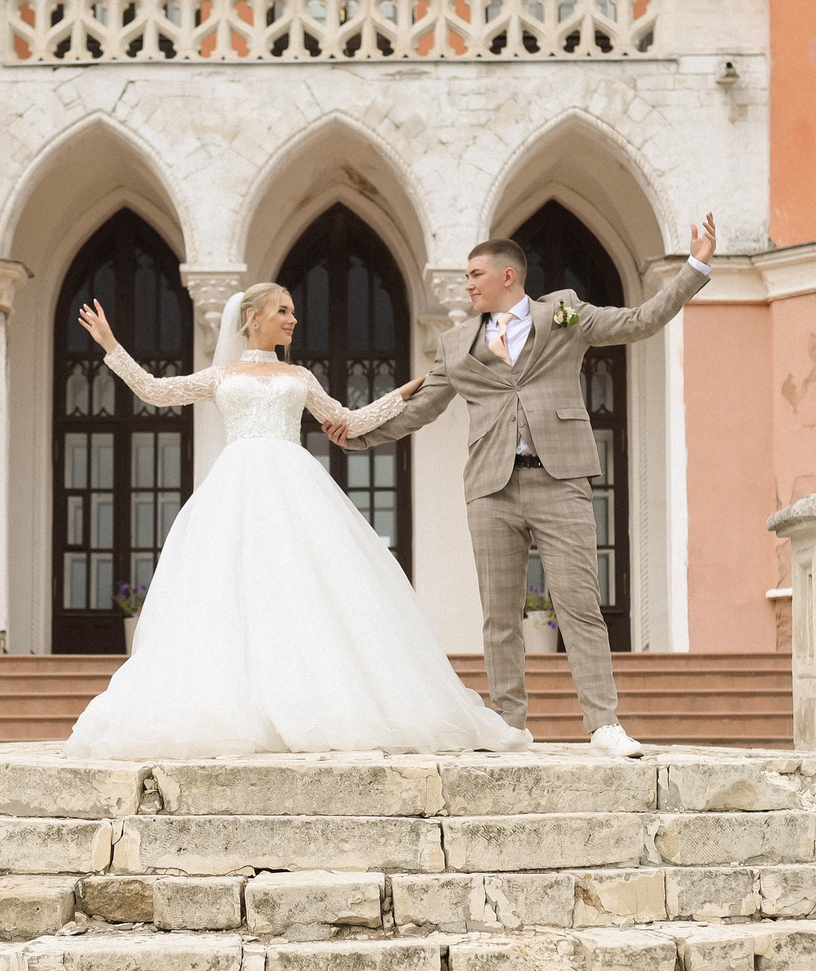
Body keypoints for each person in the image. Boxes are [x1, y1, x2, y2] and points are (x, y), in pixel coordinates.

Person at [62, 283, 527, 759]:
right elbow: (156, 392)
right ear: (252, 318)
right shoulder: (221, 375)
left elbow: (347, 418)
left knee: (306, 588)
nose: (292, 319)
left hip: (296, 485)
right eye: (282, 311)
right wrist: (111, 346)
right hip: (236, 489)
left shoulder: (299, 375)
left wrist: (406, 392)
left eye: (292, 311)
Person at [334, 216, 719, 757]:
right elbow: (421, 409)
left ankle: (603, 724)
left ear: (508, 275)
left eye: (475, 274)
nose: (467, 285)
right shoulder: (455, 344)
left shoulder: (563, 313)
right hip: (491, 488)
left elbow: (639, 320)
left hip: (560, 480)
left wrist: (695, 265)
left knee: (579, 605)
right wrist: (354, 439)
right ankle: (508, 722)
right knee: (499, 613)